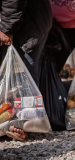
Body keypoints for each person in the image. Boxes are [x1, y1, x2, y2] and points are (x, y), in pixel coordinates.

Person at [0, 0, 53, 140]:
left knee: (26, 78)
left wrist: (6, 28)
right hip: (20, 20)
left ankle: (24, 125)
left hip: (27, 23)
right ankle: (8, 123)